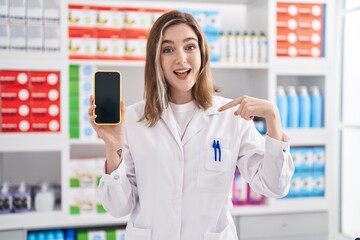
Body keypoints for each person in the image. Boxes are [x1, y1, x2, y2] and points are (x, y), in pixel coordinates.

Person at [88, 10, 294, 240]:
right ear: (157, 60)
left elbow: (275, 186)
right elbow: (118, 208)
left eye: (190, 47)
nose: (181, 58)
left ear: (203, 54)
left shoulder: (230, 117)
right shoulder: (134, 120)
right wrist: (113, 146)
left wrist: (273, 118)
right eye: (168, 49)